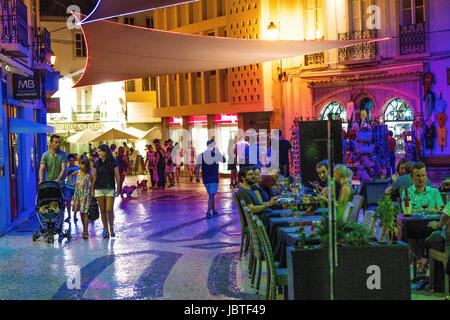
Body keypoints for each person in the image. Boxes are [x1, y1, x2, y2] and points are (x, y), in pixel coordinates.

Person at [401, 162, 444, 273]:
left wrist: (418, 210)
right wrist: (431, 209)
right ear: (412, 177)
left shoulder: (434, 192)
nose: (421, 178)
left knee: (417, 236)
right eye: (418, 176)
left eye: (423, 175)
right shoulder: (407, 193)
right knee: (407, 233)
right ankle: (421, 259)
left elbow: (440, 209)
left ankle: (422, 261)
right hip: (414, 228)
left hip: (431, 227)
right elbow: (407, 211)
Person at [91, 144, 121, 238]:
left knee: (109, 209)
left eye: (100, 151)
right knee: (102, 210)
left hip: (110, 188)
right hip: (99, 188)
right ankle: (106, 231)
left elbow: (117, 175)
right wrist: (92, 190)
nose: (98, 153)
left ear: (105, 152)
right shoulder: (97, 163)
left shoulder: (113, 162)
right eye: (98, 151)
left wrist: (118, 187)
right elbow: (94, 177)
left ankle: (111, 228)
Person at [196, 140, 226, 218]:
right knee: (211, 196)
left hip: (205, 179)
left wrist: (197, 177)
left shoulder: (201, 155)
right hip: (213, 178)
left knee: (211, 195)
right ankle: (208, 212)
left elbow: (198, 167)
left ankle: (214, 211)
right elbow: (224, 160)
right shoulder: (216, 155)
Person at [70, 158, 92, 239]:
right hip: (78, 194)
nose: (81, 165)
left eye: (83, 164)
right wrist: (72, 184)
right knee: (81, 213)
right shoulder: (78, 172)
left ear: (86, 166)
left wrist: (92, 192)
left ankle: (86, 231)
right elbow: (71, 175)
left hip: (85, 196)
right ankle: (84, 229)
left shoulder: (89, 174)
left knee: (85, 213)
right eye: (80, 164)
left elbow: (92, 183)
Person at [63, 154, 79, 223]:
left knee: (76, 202)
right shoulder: (66, 168)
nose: (71, 161)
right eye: (70, 160)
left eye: (73, 160)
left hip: (76, 187)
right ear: (68, 161)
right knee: (68, 202)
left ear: (74, 160)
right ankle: (69, 215)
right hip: (68, 187)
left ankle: (75, 215)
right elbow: (64, 176)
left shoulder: (78, 167)